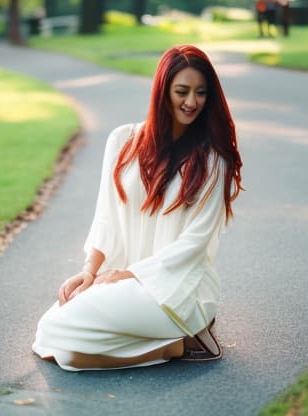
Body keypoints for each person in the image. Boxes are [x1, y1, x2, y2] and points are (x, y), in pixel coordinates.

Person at [32, 45, 243, 371]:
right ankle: (177, 345)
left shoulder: (213, 160)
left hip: (179, 288)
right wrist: (90, 271)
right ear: (162, 91)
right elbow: (106, 217)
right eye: (182, 91)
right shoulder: (122, 141)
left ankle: (189, 331)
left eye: (201, 93)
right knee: (55, 339)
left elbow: (194, 244)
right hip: (125, 282)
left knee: (58, 332)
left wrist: (126, 274)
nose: (191, 102)